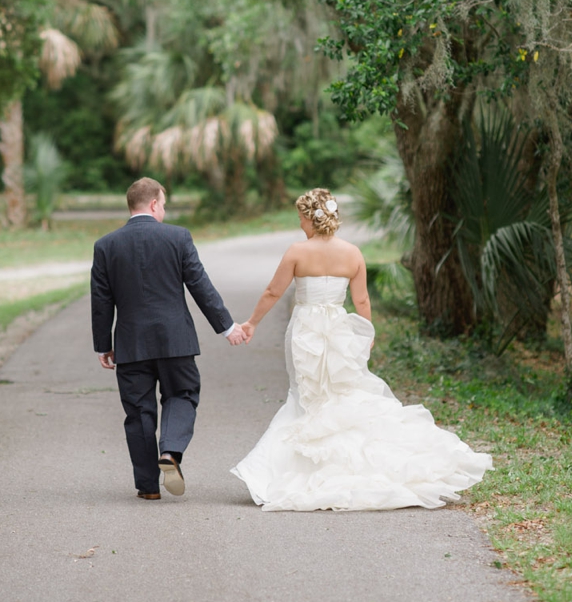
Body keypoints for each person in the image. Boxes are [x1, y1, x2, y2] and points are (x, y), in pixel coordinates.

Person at [231, 188, 492, 511]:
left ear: (311, 218)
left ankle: (303, 468)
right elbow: (363, 300)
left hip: (305, 332)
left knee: (305, 394)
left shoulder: (297, 252)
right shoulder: (353, 253)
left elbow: (273, 291)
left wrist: (252, 322)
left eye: (300, 218)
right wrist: (365, 334)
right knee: (342, 393)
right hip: (339, 331)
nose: (299, 225)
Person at [91, 177, 246, 500]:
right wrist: (227, 327)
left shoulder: (106, 245)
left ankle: (148, 487)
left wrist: (103, 344)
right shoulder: (178, 237)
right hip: (176, 341)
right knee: (183, 393)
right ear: (153, 204)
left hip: (131, 344)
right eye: (163, 203)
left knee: (138, 411)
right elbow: (200, 285)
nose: (164, 209)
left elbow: (101, 300)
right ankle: (171, 452)